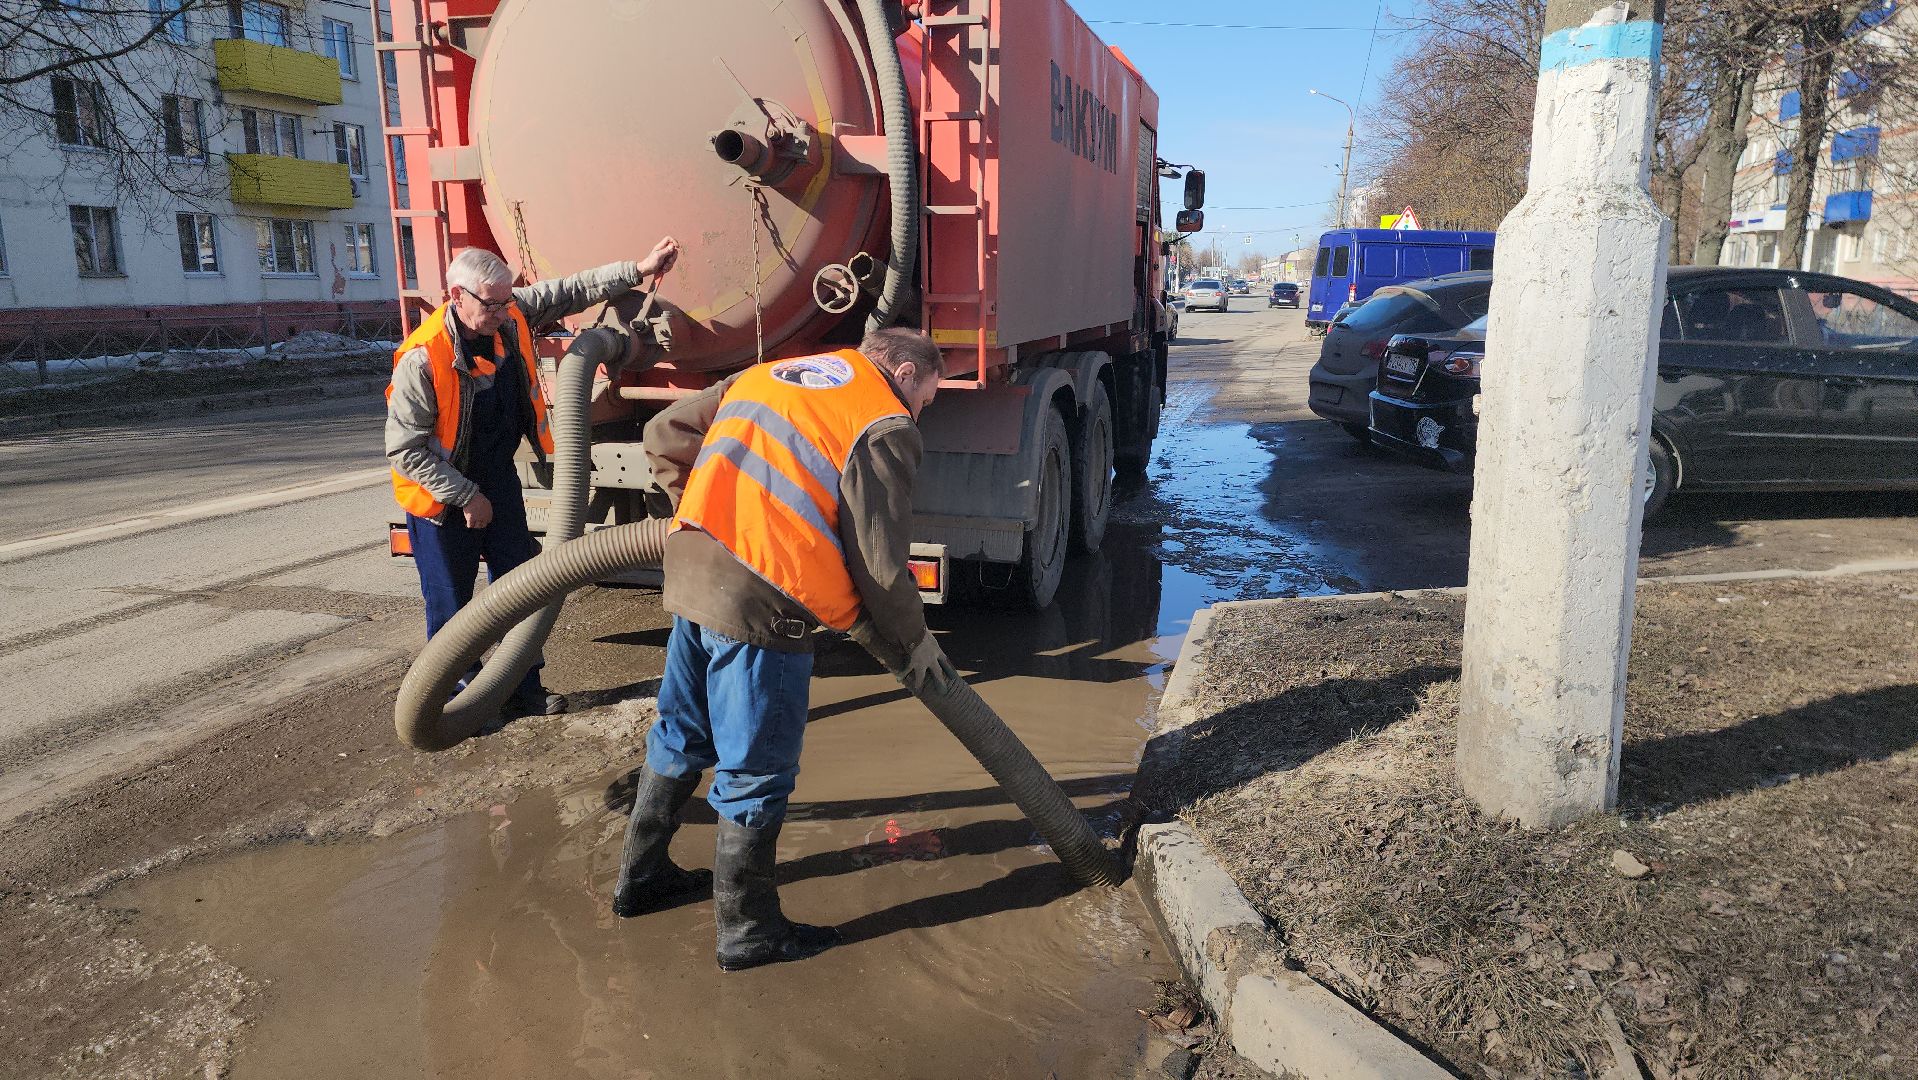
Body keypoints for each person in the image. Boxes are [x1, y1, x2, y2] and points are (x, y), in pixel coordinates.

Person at [615, 327, 958, 971]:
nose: (922, 411)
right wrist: (913, 642)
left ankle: (643, 879)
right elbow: (881, 565)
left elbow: (663, 435)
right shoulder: (881, 420)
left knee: (681, 731)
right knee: (757, 763)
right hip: (765, 601)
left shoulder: (771, 374)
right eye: (928, 397)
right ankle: (747, 931)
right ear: (908, 371)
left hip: (695, 570)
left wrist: (709, 516)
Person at [386, 240, 680, 718]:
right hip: (439, 497)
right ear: (456, 296)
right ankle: (462, 700)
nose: (504, 313)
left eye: (507, 301)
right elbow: (405, 451)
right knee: (452, 606)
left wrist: (639, 269)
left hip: (497, 478)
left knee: (522, 586)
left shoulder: (509, 313)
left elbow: (571, 290)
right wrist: (465, 496)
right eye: (492, 304)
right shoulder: (422, 359)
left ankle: (524, 689)